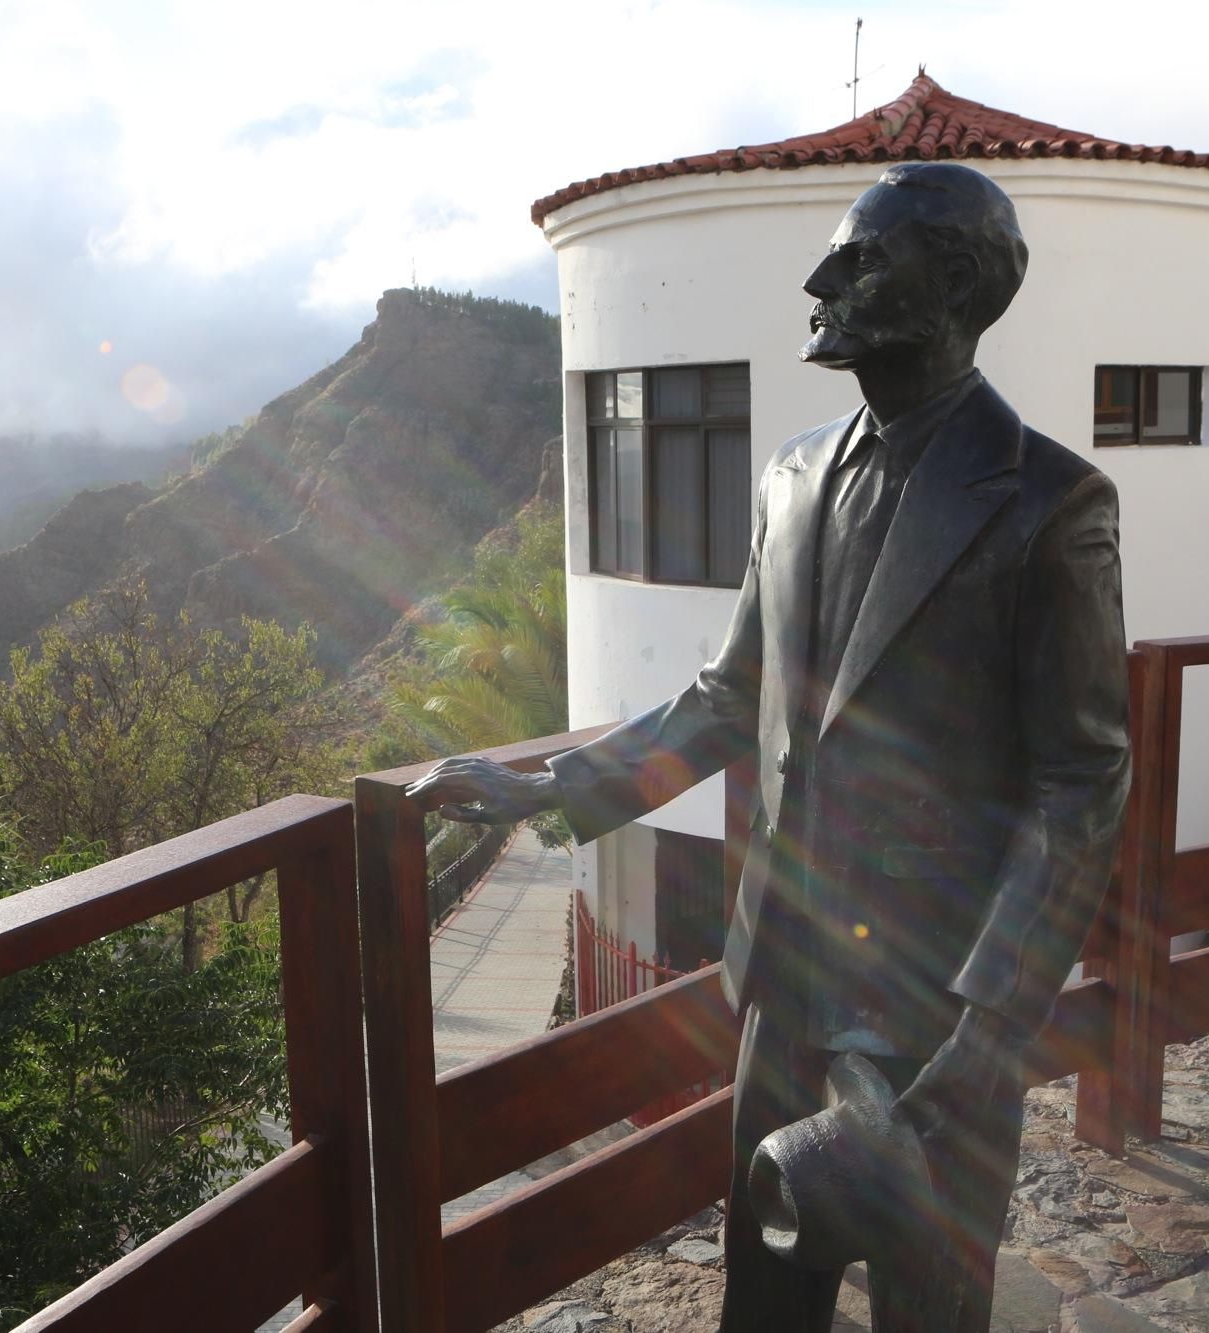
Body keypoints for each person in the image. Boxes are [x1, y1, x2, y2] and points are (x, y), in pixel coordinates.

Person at [406, 161, 1131, 1332]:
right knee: (766, 1292)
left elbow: (1079, 781)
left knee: (931, 1303)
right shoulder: (791, 476)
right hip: (785, 978)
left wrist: (990, 1021)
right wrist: (545, 784)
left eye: (860, 258)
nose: (821, 280)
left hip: (934, 1003)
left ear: (950, 282)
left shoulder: (1047, 501)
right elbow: (725, 698)